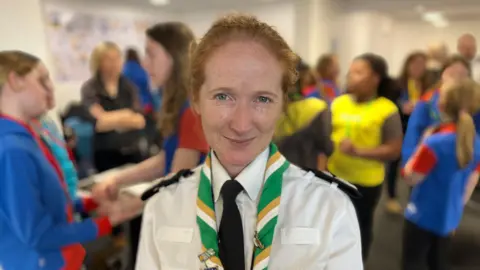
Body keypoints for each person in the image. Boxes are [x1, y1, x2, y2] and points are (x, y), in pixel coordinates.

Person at [135, 14, 362, 270]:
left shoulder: (329, 209)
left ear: (281, 106)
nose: (241, 124)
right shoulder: (162, 206)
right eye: (223, 96)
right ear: (196, 100)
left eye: (262, 99)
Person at [0, 50, 135, 269]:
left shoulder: (27, 138)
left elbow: (46, 204)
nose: (51, 87)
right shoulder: (11, 149)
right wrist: (106, 222)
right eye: (42, 79)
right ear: (15, 81)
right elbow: (39, 236)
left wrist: (90, 202)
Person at [92, 22, 209, 266]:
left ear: (174, 57)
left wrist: (130, 206)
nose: (144, 63)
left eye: (151, 54)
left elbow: (178, 182)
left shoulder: (192, 110)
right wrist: (118, 179)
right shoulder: (178, 105)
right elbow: (165, 160)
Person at [327, 53, 403, 261]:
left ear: (375, 79)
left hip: (365, 184)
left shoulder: (387, 109)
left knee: (358, 228)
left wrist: (358, 151)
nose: (351, 77)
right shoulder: (339, 102)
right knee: (333, 227)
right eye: (351, 72)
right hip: (334, 176)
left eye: (359, 73)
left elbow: (394, 150)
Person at [402, 78, 480, 270]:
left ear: (444, 104)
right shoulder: (475, 143)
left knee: (412, 262)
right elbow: (470, 183)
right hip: (450, 216)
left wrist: (421, 144)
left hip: (421, 215)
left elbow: (411, 176)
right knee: (438, 262)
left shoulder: (435, 142)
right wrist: (455, 210)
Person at [402, 55, 480, 165]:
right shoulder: (428, 100)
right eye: (452, 73)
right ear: (443, 74)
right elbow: (413, 133)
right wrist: (409, 160)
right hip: (431, 158)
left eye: (462, 74)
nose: (456, 78)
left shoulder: (475, 101)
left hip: (466, 161)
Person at [385, 51, 428, 214]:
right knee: (394, 163)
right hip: (399, 127)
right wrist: (401, 106)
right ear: (407, 65)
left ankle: (414, 199)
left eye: (421, 65)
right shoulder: (397, 84)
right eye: (415, 64)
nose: (418, 68)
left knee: (416, 165)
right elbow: (387, 105)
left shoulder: (427, 86)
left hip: (418, 130)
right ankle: (391, 197)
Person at [275, 63, 333, 170]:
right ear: (304, 79)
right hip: (303, 173)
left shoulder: (267, 108)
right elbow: (327, 147)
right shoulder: (316, 107)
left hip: (271, 173)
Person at [123, 48, 155, 114]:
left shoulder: (124, 70)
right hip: (147, 105)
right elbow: (148, 86)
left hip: (131, 107)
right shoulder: (143, 69)